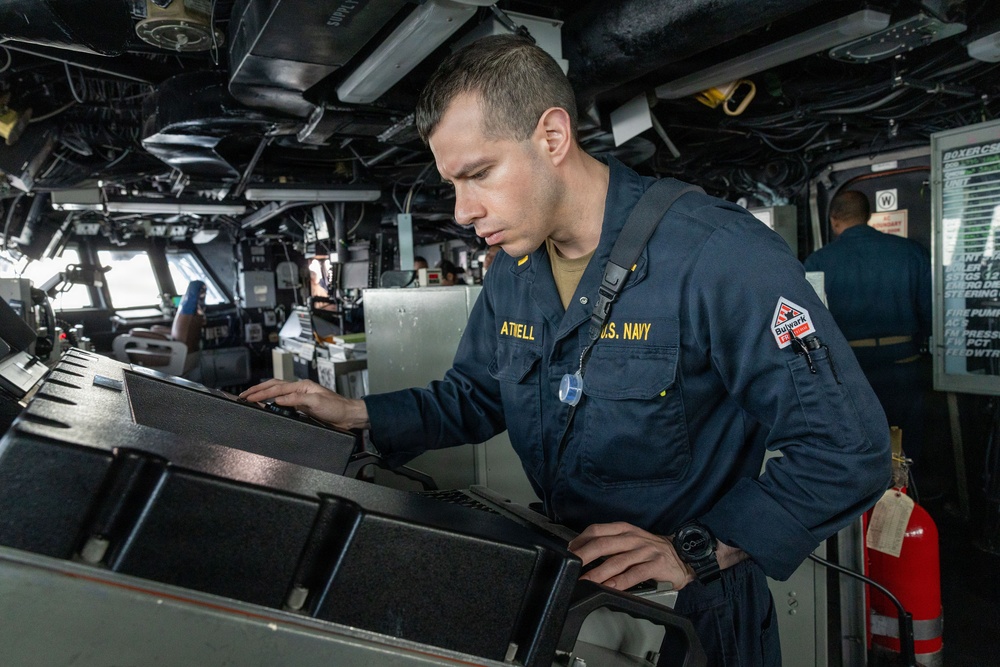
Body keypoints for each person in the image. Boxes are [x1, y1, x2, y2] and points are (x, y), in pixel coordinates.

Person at [242, 34, 890, 665]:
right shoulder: (513, 270)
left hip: (693, 615)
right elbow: (478, 394)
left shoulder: (715, 256)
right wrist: (355, 415)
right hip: (575, 590)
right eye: (452, 183)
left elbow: (848, 448)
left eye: (479, 174)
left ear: (552, 136)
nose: (464, 210)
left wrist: (698, 550)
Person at [804, 190, 932, 467]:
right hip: (904, 366)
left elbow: (811, 325)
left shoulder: (818, 262)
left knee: (858, 448)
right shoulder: (911, 252)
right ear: (869, 216)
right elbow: (929, 313)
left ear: (834, 219)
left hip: (850, 371)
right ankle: (909, 505)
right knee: (907, 448)